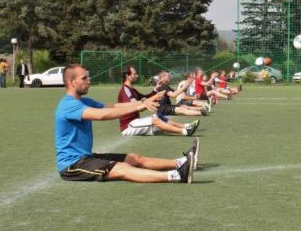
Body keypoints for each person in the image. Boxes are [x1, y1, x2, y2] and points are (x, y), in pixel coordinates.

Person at [55, 64, 197, 183]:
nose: (89, 81)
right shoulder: (68, 105)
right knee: (123, 168)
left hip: (86, 157)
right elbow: (102, 115)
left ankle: (181, 162)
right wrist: (138, 107)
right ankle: (178, 175)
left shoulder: (84, 101)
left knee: (134, 158)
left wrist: (143, 102)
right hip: (72, 166)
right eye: (84, 78)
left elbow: (113, 107)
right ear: (72, 82)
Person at [118, 66, 199, 137]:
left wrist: (156, 89)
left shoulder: (132, 90)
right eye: (134, 74)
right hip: (129, 126)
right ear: (127, 76)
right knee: (155, 120)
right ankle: (185, 131)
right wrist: (153, 99)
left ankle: (186, 126)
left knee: (158, 117)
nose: (137, 75)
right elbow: (137, 106)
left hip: (135, 122)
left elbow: (144, 98)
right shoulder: (126, 90)